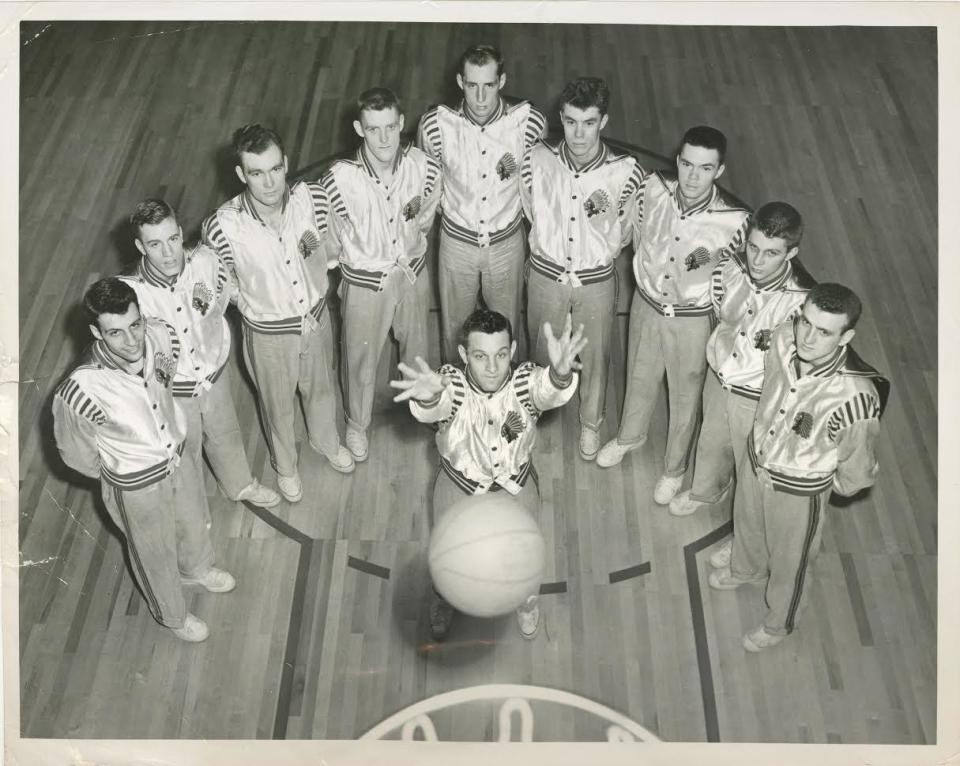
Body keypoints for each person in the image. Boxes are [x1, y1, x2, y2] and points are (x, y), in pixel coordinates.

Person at [52, 278, 236, 642]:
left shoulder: (162, 334)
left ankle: (197, 569)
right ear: (96, 331)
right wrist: (124, 470)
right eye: (116, 333)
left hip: (178, 458)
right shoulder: (80, 390)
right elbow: (76, 455)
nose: (132, 340)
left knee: (193, 520)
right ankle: (173, 615)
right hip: (135, 485)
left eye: (135, 325)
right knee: (154, 552)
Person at [708, 283, 888, 652]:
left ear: (846, 336)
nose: (807, 337)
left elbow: (856, 474)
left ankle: (778, 624)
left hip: (799, 491)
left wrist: (816, 481)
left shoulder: (856, 398)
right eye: (805, 322)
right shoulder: (782, 339)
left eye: (824, 332)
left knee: (792, 562)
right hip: (758, 460)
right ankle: (746, 569)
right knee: (747, 523)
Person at [390, 309, 586, 641]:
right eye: (480, 356)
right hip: (457, 488)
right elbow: (435, 406)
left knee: (523, 555)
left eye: (500, 355)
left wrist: (561, 373)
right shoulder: (449, 383)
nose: (493, 367)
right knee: (447, 554)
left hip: (516, 489)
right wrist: (430, 397)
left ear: (511, 351)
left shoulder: (524, 381)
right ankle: (444, 598)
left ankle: (525, 601)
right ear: (464, 354)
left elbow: (548, 389)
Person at [596, 125, 751, 508]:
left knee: (685, 397)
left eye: (704, 168)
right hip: (646, 306)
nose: (692, 176)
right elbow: (623, 233)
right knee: (638, 374)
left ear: (720, 170)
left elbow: (737, 285)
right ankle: (630, 435)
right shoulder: (650, 190)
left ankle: (674, 469)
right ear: (677, 161)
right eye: (686, 164)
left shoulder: (736, 222)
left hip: (692, 320)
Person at [202, 124, 354, 504]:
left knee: (321, 388)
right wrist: (256, 304)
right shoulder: (221, 227)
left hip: (316, 319)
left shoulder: (314, 199)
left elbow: (332, 246)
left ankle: (326, 441)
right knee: (277, 405)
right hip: (268, 334)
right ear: (241, 174)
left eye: (275, 169)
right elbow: (222, 284)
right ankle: (285, 466)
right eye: (256, 173)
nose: (269, 182)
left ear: (285, 163)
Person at [119, 198, 280, 512]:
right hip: (174, 394)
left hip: (213, 374)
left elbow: (219, 304)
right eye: (155, 244)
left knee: (226, 433)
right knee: (184, 453)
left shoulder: (207, 261)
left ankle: (240, 484)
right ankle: (192, 513)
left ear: (180, 233)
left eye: (173, 239)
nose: (168, 253)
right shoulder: (131, 295)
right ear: (140, 246)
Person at [520, 76, 644, 461]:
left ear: (603, 121)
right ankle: (540, 410)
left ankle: (590, 422)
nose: (578, 132)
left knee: (595, 355)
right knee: (544, 349)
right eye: (571, 121)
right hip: (546, 274)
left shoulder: (626, 173)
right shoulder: (536, 161)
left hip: (595, 280)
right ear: (561, 118)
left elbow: (624, 232)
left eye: (589, 122)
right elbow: (530, 210)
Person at [669, 202, 815, 520]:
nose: (757, 261)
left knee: (752, 464)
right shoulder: (729, 269)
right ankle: (707, 491)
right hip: (719, 376)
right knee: (711, 439)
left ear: (791, 253)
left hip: (758, 397)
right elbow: (722, 312)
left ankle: (746, 536)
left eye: (771, 253)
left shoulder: (803, 305)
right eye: (753, 247)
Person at [320, 87, 442, 462]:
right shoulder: (339, 181)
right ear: (359, 129)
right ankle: (358, 424)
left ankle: (422, 407)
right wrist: (359, 268)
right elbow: (331, 241)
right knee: (360, 361)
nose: (385, 138)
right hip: (364, 284)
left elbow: (424, 219)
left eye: (391, 127)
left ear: (402, 123)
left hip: (410, 273)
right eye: (374, 130)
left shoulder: (425, 167)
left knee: (418, 348)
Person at [418, 44, 548, 363]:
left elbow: (536, 188)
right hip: (456, 246)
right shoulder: (434, 126)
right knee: (454, 332)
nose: (479, 98)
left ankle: (503, 405)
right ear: (460, 82)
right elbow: (428, 187)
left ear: (501, 82)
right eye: (472, 86)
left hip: (506, 246)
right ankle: (458, 400)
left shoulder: (530, 123)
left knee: (505, 331)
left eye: (488, 86)